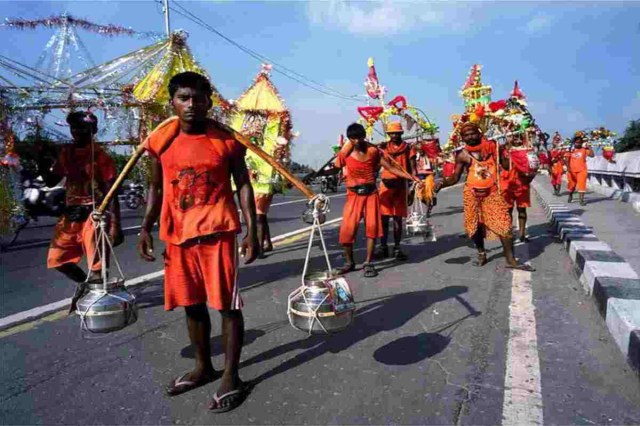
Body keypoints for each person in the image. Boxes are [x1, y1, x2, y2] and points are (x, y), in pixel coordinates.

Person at [137, 71, 259, 413]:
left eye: (199, 98)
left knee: (227, 306)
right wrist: (146, 226)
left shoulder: (226, 140)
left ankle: (231, 376)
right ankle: (204, 367)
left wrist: (253, 229)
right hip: (177, 236)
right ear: (172, 102)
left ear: (210, 102)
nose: (192, 105)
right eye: (184, 98)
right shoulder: (161, 140)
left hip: (217, 234)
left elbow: (244, 184)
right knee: (192, 304)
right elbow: (156, 187)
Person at [39, 111, 123, 314]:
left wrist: (115, 225)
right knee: (57, 259)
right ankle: (84, 283)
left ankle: (98, 306)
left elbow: (112, 191)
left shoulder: (101, 156)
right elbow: (51, 180)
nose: (78, 132)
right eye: (74, 128)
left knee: (97, 267)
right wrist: (40, 161)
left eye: (83, 128)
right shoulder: (66, 153)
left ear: (93, 130)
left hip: (95, 215)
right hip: (71, 215)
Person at [435, 122, 534, 271]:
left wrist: (504, 151)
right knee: (475, 225)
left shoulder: (492, 147)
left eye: (473, 133)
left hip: (492, 193)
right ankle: (481, 253)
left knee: (504, 224)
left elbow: (506, 166)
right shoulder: (462, 155)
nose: (470, 137)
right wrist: (441, 184)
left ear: (480, 133)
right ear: (462, 138)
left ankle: (511, 260)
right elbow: (455, 177)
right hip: (472, 194)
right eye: (466, 135)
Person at [336, 123, 420, 278]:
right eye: (352, 139)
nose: (356, 141)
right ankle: (349, 262)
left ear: (364, 136)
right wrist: (346, 146)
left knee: (372, 228)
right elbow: (337, 164)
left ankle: (368, 263)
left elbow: (391, 168)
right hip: (353, 195)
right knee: (347, 231)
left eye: (359, 137)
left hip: (371, 195)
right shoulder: (345, 153)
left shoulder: (373, 151)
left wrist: (411, 177)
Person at [378, 121, 413, 260]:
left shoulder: (408, 148)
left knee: (398, 219)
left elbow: (412, 168)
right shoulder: (383, 148)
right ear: (388, 135)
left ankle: (397, 248)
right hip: (385, 186)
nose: (394, 135)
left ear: (401, 133)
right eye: (391, 133)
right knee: (383, 219)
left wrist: (412, 186)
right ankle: (383, 247)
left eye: (396, 133)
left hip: (400, 185)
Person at [500, 134, 536, 243]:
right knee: (508, 210)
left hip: (522, 184)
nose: (518, 140)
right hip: (507, 184)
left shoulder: (528, 150)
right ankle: (509, 233)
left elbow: (534, 166)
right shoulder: (502, 150)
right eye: (514, 137)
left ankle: (521, 234)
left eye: (520, 137)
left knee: (522, 210)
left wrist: (528, 180)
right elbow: (504, 165)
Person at [411, 136, 441, 218]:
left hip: (428, 174)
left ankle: (428, 208)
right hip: (419, 176)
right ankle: (430, 203)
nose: (420, 151)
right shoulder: (414, 157)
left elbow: (435, 161)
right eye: (418, 150)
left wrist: (435, 170)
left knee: (428, 193)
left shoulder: (429, 155)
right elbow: (412, 166)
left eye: (421, 149)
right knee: (420, 195)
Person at [564, 132, 594, 206]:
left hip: (582, 170)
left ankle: (581, 200)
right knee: (572, 186)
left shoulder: (584, 149)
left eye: (580, 142)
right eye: (577, 142)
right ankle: (570, 194)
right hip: (572, 171)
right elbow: (566, 160)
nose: (578, 144)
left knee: (582, 185)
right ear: (574, 143)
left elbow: (592, 155)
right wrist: (568, 169)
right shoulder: (570, 150)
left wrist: (589, 147)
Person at [255, 191, 273, 258]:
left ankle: (260, 249)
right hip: (260, 188)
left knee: (259, 218)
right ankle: (268, 244)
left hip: (261, 190)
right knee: (262, 217)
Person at [549, 132, 565, 196]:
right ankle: (555, 190)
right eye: (555, 141)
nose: (556, 142)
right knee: (553, 180)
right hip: (552, 166)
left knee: (558, 179)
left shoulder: (560, 149)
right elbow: (549, 157)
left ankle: (558, 191)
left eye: (557, 140)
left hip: (558, 165)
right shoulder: (551, 149)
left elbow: (562, 156)